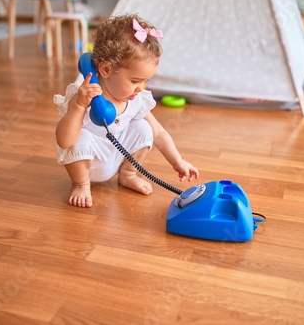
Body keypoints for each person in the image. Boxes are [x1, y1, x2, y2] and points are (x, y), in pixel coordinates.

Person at [54, 14, 199, 208]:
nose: (141, 88)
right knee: (81, 137)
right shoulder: (84, 99)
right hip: (89, 164)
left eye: (144, 81)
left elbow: (158, 133)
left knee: (144, 128)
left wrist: (178, 161)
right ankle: (80, 184)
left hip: (117, 156)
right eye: (135, 81)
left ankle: (127, 174)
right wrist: (78, 106)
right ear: (105, 70)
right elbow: (65, 141)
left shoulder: (136, 100)